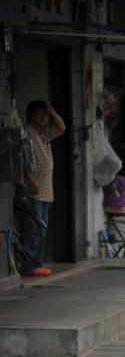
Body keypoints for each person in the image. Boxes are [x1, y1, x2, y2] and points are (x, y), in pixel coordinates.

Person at [22, 100, 66, 277]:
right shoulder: (27, 133)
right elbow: (23, 158)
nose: (43, 117)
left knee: (42, 228)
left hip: (45, 190)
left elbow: (62, 128)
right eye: (39, 113)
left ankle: (36, 263)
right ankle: (29, 265)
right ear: (30, 115)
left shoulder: (43, 134)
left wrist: (52, 111)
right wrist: (30, 178)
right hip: (33, 188)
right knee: (34, 229)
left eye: (44, 114)